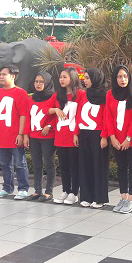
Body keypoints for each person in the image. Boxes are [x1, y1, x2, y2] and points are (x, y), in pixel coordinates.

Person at [105, 65, 132, 214]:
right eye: (120, 77)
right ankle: (123, 197)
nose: (123, 79)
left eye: (125, 76)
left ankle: (131, 199)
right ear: (115, 79)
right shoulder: (110, 94)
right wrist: (112, 137)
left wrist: (129, 138)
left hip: (131, 139)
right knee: (121, 167)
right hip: (116, 139)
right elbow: (108, 116)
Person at [0, 65, 30, 199]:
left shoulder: (20, 93)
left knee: (20, 163)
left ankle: (23, 188)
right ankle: (7, 188)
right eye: (0, 74)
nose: (0, 77)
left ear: (13, 76)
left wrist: (21, 134)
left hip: (14, 135)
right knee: (5, 164)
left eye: (4, 74)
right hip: (0, 134)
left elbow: (23, 115)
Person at [77, 68, 110, 208]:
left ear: (96, 79)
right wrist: (76, 133)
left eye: (88, 78)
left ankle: (99, 198)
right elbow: (79, 113)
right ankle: (86, 196)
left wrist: (104, 136)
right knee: (85, 165)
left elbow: (107, 117)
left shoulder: (105, 95)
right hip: (84, 133)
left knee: (99, 166)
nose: (85, 80)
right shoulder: (84, 94)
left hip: (98, 134)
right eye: (84, 78)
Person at [23, 72, 57, 202]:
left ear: (47, 83)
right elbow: (27, 118)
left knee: (49, 164)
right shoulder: (31, 99)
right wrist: (26, 135)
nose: (38, 84)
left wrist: (49, 125)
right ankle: (37, 190)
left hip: (48, 137)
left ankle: (49, 191)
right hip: (34, 136)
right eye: (36, 81)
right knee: (37, 165)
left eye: (41, 82)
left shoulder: (53, 98)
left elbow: (57, 115)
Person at [50, 67, 81, 205]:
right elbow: (45, 109)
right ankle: (66, 190)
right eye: (60, 77)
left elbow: (81, 115)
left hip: (72, 135)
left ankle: (74, 192)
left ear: (72, 78)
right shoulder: (57, 95)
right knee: (63, 166)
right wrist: (55, 109)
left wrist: (76, 133)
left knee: (74, 166)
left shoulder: (80, 94)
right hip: (60, 135)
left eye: (64, 77)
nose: (61, 80)